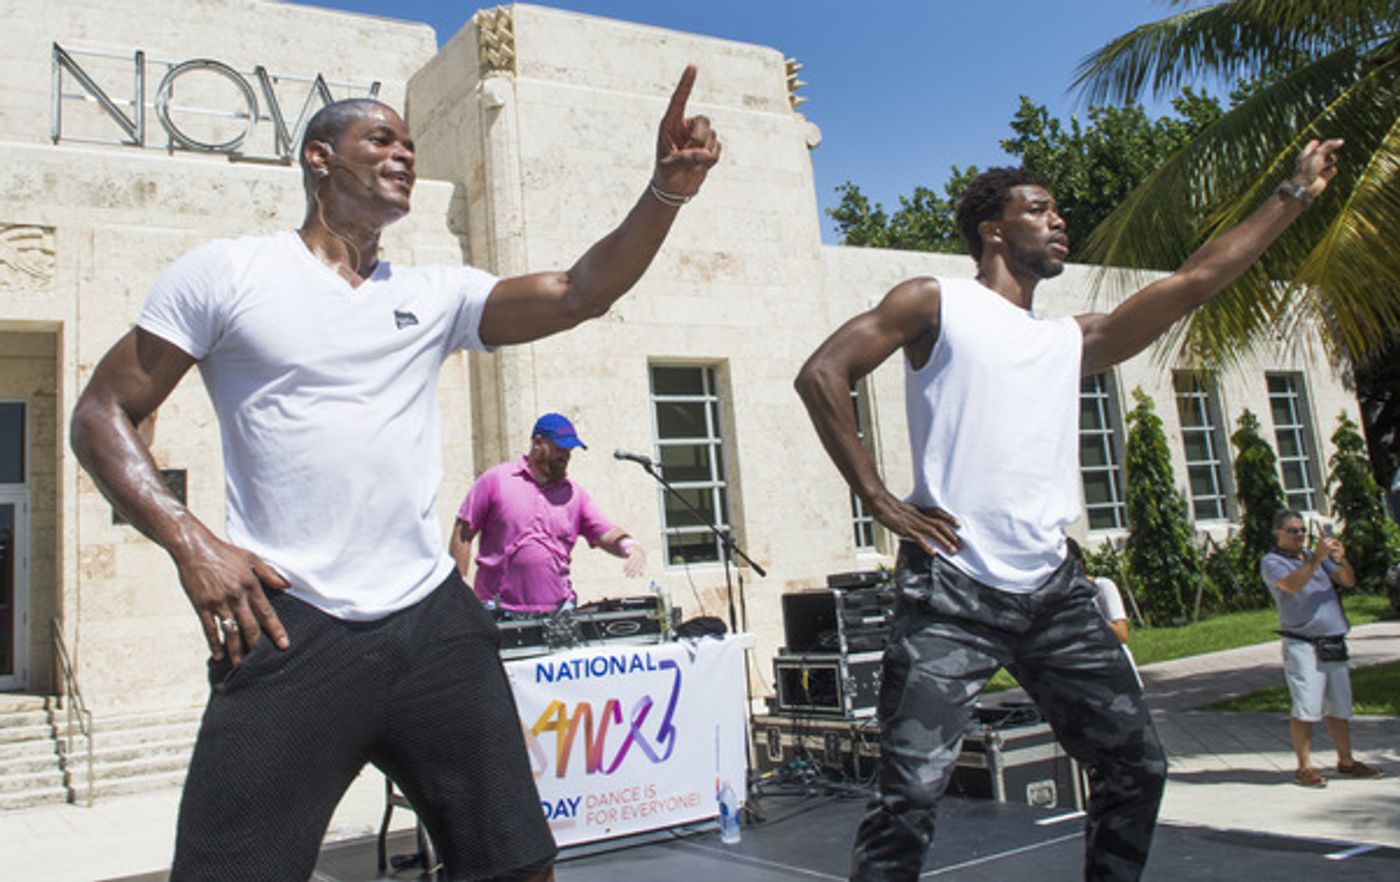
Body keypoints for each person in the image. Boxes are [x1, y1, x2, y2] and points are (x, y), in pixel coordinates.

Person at [69, 67, 718, 882]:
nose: (403, 154)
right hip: (291, 625)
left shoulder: (435, 296)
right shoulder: (228, 274)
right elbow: (99, 415)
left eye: (409, 143)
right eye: (380, 139)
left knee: (518, 867)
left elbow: (579, 292)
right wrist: (192, 543)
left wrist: (666, 192)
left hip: (431, 626)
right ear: (318, 158)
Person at [795, 137, 1344, 882]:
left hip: (1055, 593)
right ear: (994, 229)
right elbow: (823, 372)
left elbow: (1194, 280)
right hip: (953, 591)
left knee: (1137, 769)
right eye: (1040, 209)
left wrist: (1295, 195)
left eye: (1058, 211)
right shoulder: (935, 301)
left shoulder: (1069, 340)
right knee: (910, 798)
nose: (1059, 221)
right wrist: (879, 497)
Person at [450, 412, 646, 613]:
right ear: (538, 443)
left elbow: (605, 532)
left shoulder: (574, 495)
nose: (566, 456)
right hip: (497, 609)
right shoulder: (495, 480)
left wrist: (629, 545)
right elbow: (462, 533)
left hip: (559, 613)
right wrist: (459, 585)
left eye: (569, 450)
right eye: (560, 448)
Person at [1261, 510, 1385, 788]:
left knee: (1339, 706)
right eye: (1293, 531)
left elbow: (1348, 581)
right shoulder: (1273, 562)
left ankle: (1346, 760)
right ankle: (1304, 767)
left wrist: (1340, 560)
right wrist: (1317, 558)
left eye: (1302, 530)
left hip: (1333, 640)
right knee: (1306, 706)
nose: (1299, 536)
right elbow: (1291, 586)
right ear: (1277, 533)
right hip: (1303, 643)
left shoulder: (1313, 558)